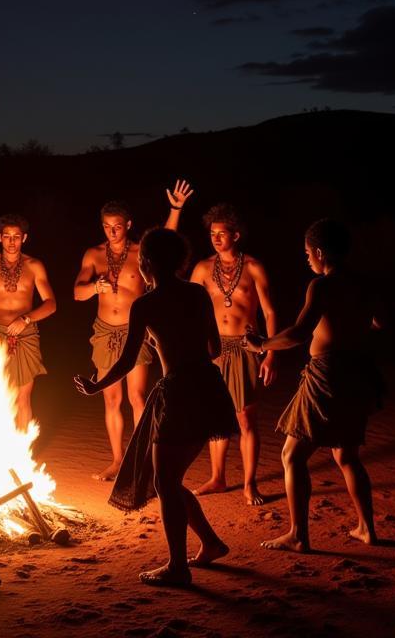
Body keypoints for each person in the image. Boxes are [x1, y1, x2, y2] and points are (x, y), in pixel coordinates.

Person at [75, 229, 238, 587]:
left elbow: (126, 362)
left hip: (179, 391)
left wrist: (97, 386)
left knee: (165, 480)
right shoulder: (197, 294)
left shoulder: (146, 305)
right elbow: (213, 349)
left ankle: (178, 567)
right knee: (169, 479)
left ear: (145, 264)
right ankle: (209, 543)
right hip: (208, 388)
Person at [243, 219, 382, 552]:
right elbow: (380, 322)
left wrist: (262, 345)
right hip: (357, 372)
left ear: (319, 252)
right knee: (347, 455)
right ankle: (366, 529)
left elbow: (298, 333)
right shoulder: (364, 284)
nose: (307, 259)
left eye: (307, 253)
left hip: (328, 374)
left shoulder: (321, 286)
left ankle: (298, 534)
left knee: (292, 455)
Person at [73, 182, 194, 479]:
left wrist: (175, 209)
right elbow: (77, 292)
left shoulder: (141, 251)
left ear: (128, 224)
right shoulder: (93, 255)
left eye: (117, 226)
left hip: (135, 331)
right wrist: (94, 287)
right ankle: (117, 461)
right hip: (104, 332)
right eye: (106, 226)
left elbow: (166, 238)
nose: (111, 231)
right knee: (110, 399)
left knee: (137, 397)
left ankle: (139, 461)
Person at [190, 204, 278, 505]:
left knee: (245, 418)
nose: (215, 238)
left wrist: (270, 353)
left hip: (245, 347)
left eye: (222, 233)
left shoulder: (253, 267)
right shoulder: (202, 268)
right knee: (216, 417)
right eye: (212, 233)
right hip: (213, 349)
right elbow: (189, 310)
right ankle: (217, 478)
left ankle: (250, 484)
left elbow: (269, 311)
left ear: (236, 235)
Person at [0, 214, 57, 430]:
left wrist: (26, 319)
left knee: (22, 397)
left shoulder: (35, 266)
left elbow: (51, 304)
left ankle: (20, 454)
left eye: (16, 237)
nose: (11, 241)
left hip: (26, 335)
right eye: (7, 236)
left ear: (24, 238)